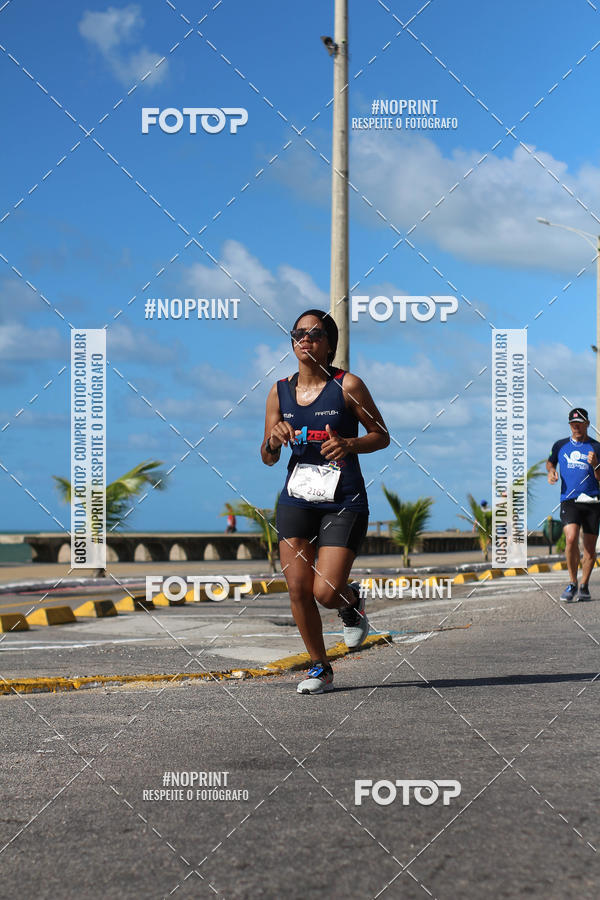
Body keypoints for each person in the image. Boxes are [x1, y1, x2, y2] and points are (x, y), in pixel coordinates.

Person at [261, 309, 390, 694]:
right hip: (297, 499)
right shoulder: (279, 390)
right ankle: (320, 667)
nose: (305, 339)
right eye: (297, 333)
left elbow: (381, 435)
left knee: (324, 592)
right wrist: (273, 439)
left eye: (314, 334)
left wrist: (349, 443)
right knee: (298, 588)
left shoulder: (348, 385)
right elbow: (268, 457)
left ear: (329, 343)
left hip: (343, 500)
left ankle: (350, 602)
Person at [546, 407, 600, 601]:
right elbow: (550, 462)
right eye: (573, 424)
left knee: (589, 549)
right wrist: (551, 471)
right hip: (569, 500)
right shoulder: (560, 445)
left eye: (580, 423)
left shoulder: (596, 447)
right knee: (570, 539)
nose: (576, 427)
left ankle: (584, 585)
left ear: (587, 424)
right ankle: (572, 582)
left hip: (592, 501)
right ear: (570, 425)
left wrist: (595, 465)